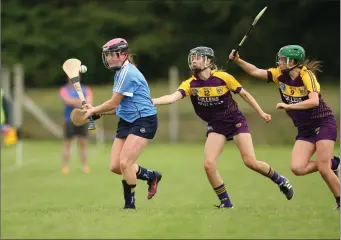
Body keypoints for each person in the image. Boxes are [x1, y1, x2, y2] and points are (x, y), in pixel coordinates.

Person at [152, 46, 294, 209]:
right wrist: (153, 101)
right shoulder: (190, 83)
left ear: (208, 61)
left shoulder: (223, 77)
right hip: (216, 126)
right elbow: (172, 97)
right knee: (209, 165)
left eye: (198, 57)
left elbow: (245, 95)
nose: (194, 60)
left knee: (250, 162)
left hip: (235, 122)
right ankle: (226, 203)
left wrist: (261, 112)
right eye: (192, 58)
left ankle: (281, 180)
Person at [229, 45, 340, 209]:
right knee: (297, 168)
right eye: (280, 58)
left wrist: (289, 107)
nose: (279, 62)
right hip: (305, 129)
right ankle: (335, 163)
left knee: (324, 169)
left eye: (283, 59)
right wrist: (238, 61)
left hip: (323, 122)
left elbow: (314, 101)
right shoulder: (279, 74)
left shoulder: (306, 75)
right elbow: (255, 72)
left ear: (293, 61)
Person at [82, 38, 162, 210]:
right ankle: (151, 176)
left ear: (124, 54)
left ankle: (129, 205)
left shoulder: (128, 73)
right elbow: (119, 106)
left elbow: (113, 103)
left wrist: (94, 110)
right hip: (127, 120)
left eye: (112, 54)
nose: (109, 58)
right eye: (107, 55)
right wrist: (96, 112)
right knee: (116, 166)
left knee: (125, 162)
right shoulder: (120, 72)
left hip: (144, 120)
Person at [59, 77, 93, 174]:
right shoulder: (64, 89)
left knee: (83, 144)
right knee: (67, 144)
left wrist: (75, 102)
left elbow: (89, 102)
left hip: (83, 120)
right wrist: (81, 102)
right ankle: (65, 166)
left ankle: (84, 166)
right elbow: (67, 101)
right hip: (69, 120)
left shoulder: (86, 89)